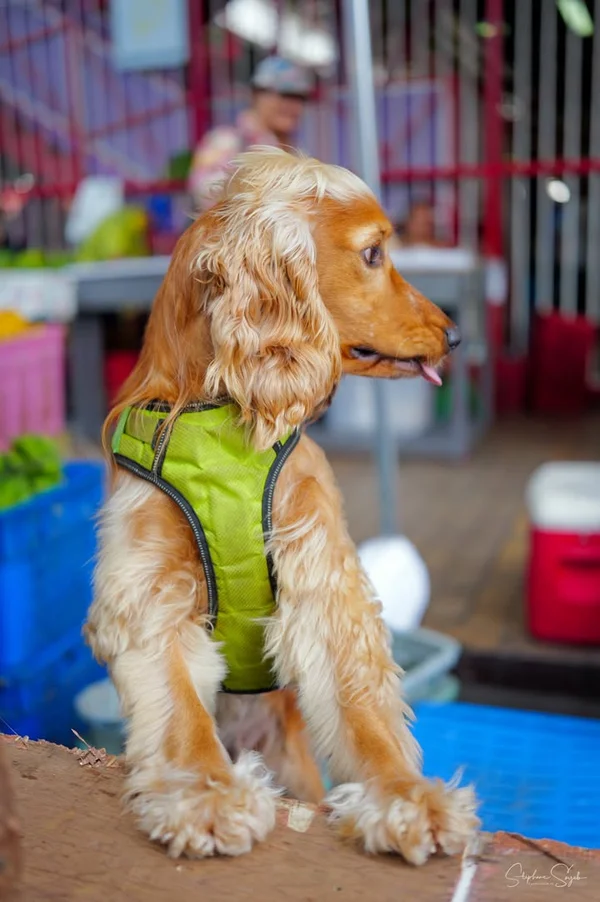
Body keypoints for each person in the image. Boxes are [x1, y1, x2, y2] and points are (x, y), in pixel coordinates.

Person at [188, 56, 313, 214]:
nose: (292, 106)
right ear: (256, 95)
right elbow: (207, 198)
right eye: (284, 95)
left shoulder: (295, 152)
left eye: (299, 98)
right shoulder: (227, 142)